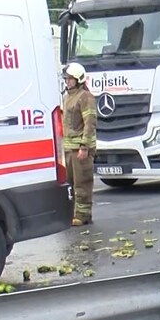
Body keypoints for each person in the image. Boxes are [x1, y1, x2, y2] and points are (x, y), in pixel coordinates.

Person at [61, 62, 97, 226]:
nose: (67, 81)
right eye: (66, 78)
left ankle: (83, 216)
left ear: (78, 79)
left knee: (82, 183)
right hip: (69, 149)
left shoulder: (85, 97)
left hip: (80, 149)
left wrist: (84, 147)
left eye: (70, 79)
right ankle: (76, 213)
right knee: (72, 184)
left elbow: (89, 123)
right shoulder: (67, 96)